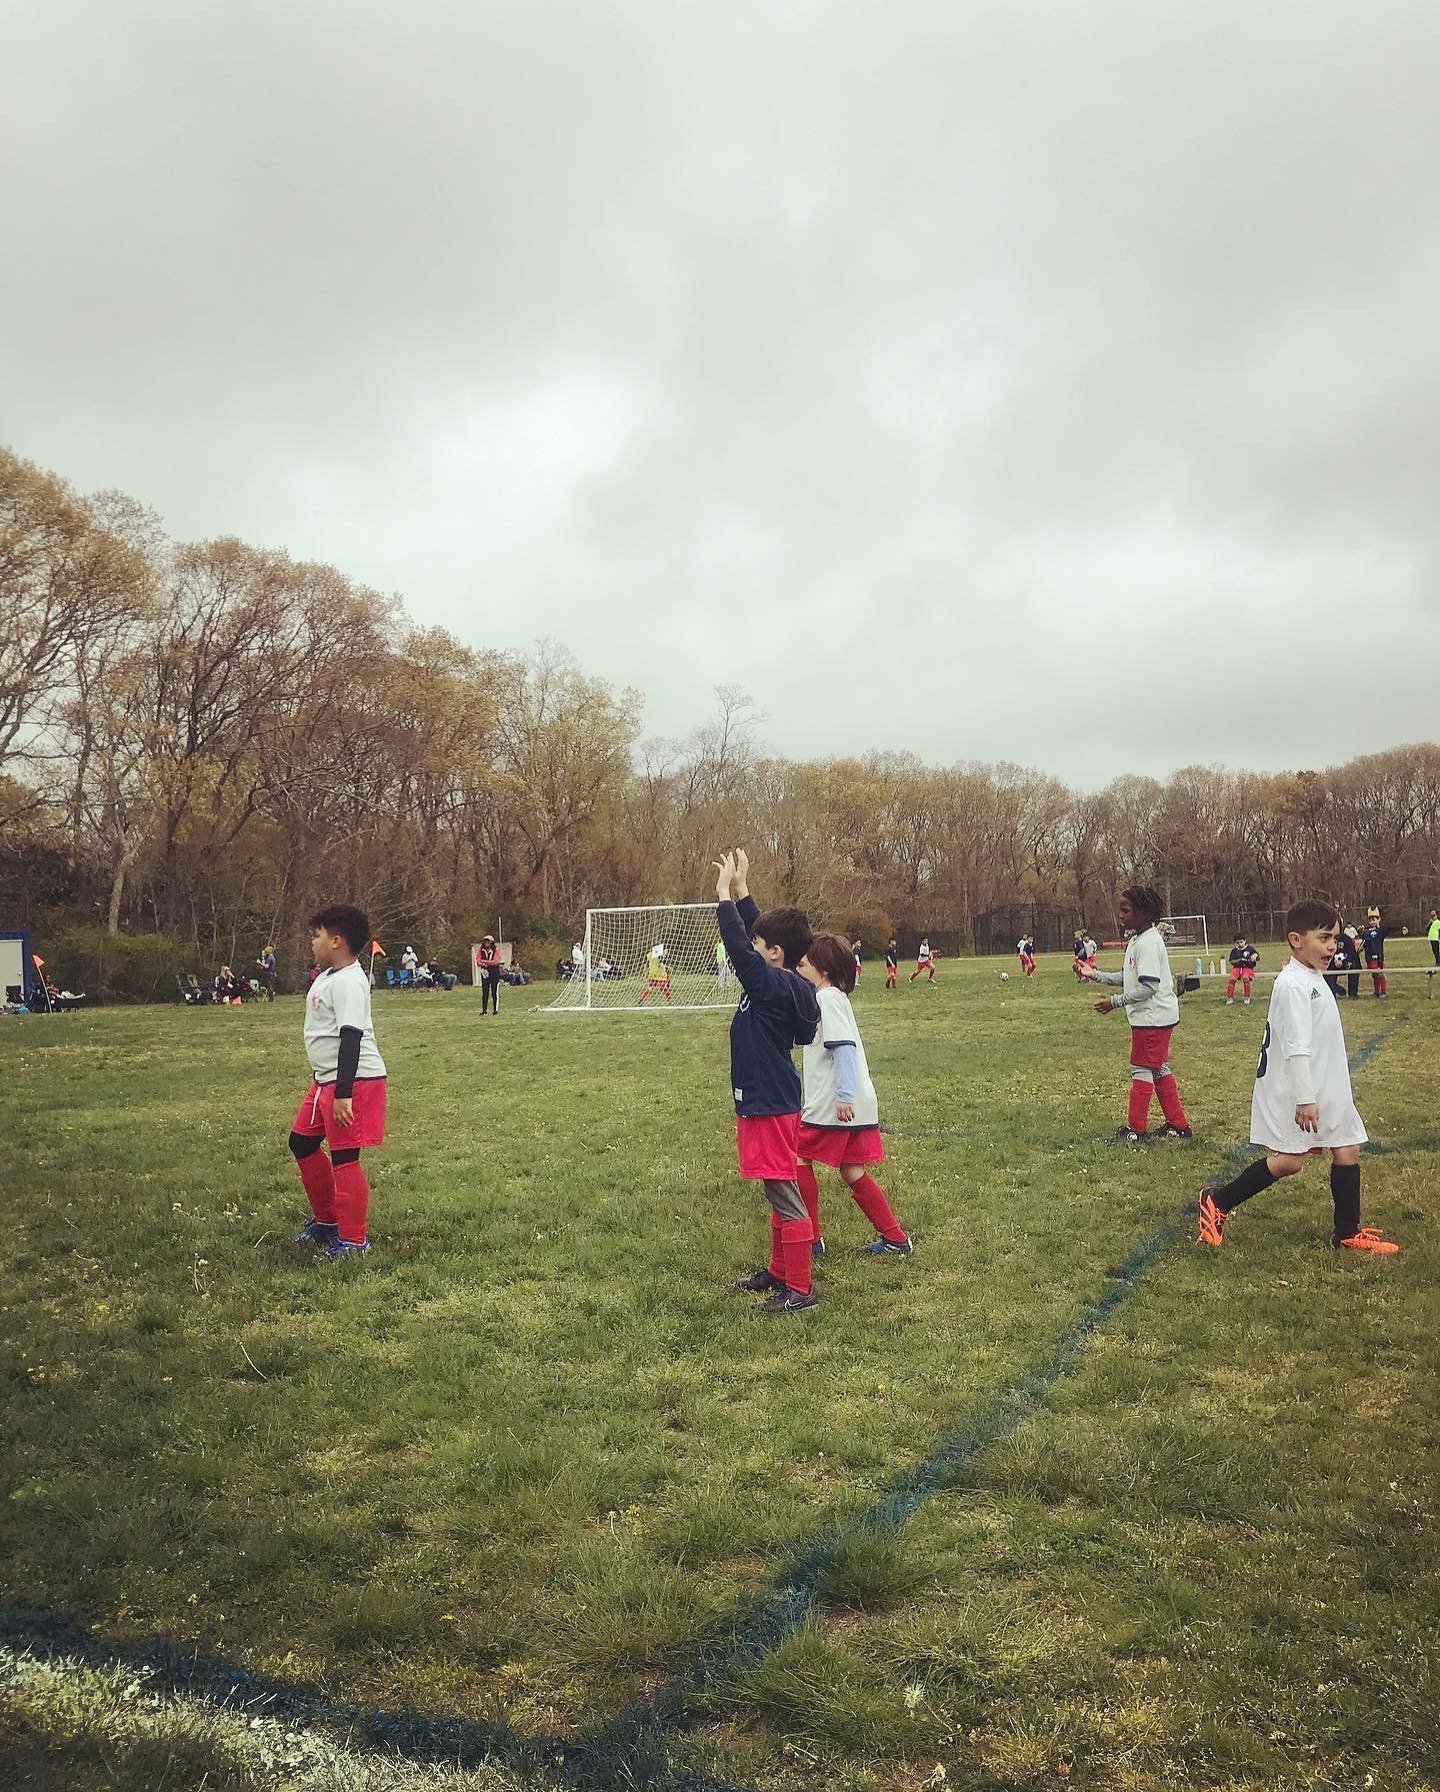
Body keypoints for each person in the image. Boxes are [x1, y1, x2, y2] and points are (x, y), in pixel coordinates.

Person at [1198, 899, 1398, 1256]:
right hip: (1298, 1091)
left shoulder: (1311, 977)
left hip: (1329, 1087)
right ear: (1296, 939)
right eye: (1323, 938)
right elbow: (1296, 1047)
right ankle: (1217, 1201)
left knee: (1347, 1147)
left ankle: (1347, 1232)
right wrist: (1306, 1097)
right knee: (1290, 1162)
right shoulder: (1292, 984)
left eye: (1335, 938)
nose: (1332, 946)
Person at [715, 848, 821, 1315]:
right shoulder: (785, 981)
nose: (755, 949)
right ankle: (779, 1272)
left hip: (770, 1103)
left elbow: (742, 949)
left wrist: (723, 899)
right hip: (771, 1100)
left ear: (774, 955)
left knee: (784, 1192)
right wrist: (743, 892)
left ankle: (800, 1288)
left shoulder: (769, 984)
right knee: (775, 1185)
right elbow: (761, 937)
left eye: (763, 946)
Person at [795, 932, 912, 1260]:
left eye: (806, 962)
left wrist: (843, 1096)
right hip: (858, 1104)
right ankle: (895, 1239)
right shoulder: (831, 998)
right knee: (852, 1171)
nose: (800, 966)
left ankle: (810, 1239)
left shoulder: (827, 999)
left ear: (825, 970)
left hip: (836, 1106)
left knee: (797, 1158)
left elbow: (843, 1048)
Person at [289, 903, 387, 1259]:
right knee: (301, 1143)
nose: (312, 942)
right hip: (325, 1082)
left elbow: (351, 1037)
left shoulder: (350, 981)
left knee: (345, 1158)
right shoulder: (329, 976)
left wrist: (343, 1093)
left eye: (316, 936)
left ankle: (354, 1241)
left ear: (336, 940)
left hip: (352, 1082)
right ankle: (327, 1221)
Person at [1085, 886, 1190, 1144]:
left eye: (1126, 910)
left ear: (1144, 913)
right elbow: (1129, 977)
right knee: (1157, 1068)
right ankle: (1178, 1125)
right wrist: (1094, 974)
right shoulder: (1136, 940)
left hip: (1152, 1018)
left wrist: (1115, 1002)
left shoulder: (1150, 942)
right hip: (1153, 1018)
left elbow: (1148, 986)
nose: (1121, 915)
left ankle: (1137, 1131)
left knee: (1141, 1068)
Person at [1360, 907, 1407, 999]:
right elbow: (1364, 939)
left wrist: (1401, 929)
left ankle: (1384, 991)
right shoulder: (1366, 931)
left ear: (1379, 919)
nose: (1372, 922)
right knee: (1374, 975)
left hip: (1378, 956)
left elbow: (1391, 929)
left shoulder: (1380, 930)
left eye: (1374, 919)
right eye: (1370, 920)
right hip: (1369, 957)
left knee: (1379, 974)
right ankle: (1377, 992)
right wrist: (1360, 931)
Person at [1225, 936, 1259, 1006]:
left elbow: (1257, 957)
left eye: (1241, 942)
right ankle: (1229, 997)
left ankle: (1247, 997)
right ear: (1235, 943)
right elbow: (1231, 961)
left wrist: (1255, 956)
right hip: (1237, 968)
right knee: (1232, 980)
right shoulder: (1234, 951)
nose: (1240, 944)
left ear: (1245, 941)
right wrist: (1239, 960)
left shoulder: (1250, 949)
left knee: (1246, 979)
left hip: (1247, 968)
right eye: (1237, 943)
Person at [475, 934, 503, 1014]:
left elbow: (495, 961)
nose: (486, 943)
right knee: (485, 991)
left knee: (495, 990)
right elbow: (478, 961)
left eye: (488, 941)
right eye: (485, 941)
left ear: (491, 942)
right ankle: (484, 1010)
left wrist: (484, 961)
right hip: (485, 971)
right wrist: (483, 964)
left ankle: (495, 1010)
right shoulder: (481, 950)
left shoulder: (496, 950)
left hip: (494, 971)